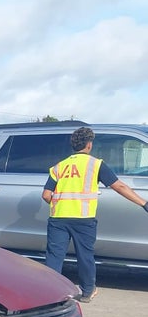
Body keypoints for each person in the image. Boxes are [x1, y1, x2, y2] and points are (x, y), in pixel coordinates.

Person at [42, 126, 148, 302]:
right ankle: (87, 291)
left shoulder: (59, 166)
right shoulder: (95, 164)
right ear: (89, 145)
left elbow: (46, 195)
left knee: (54, 256)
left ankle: (49, 294)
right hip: (83, 219)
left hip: (58, 218)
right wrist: (143, 203)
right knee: (85, 256)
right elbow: (119, 186)